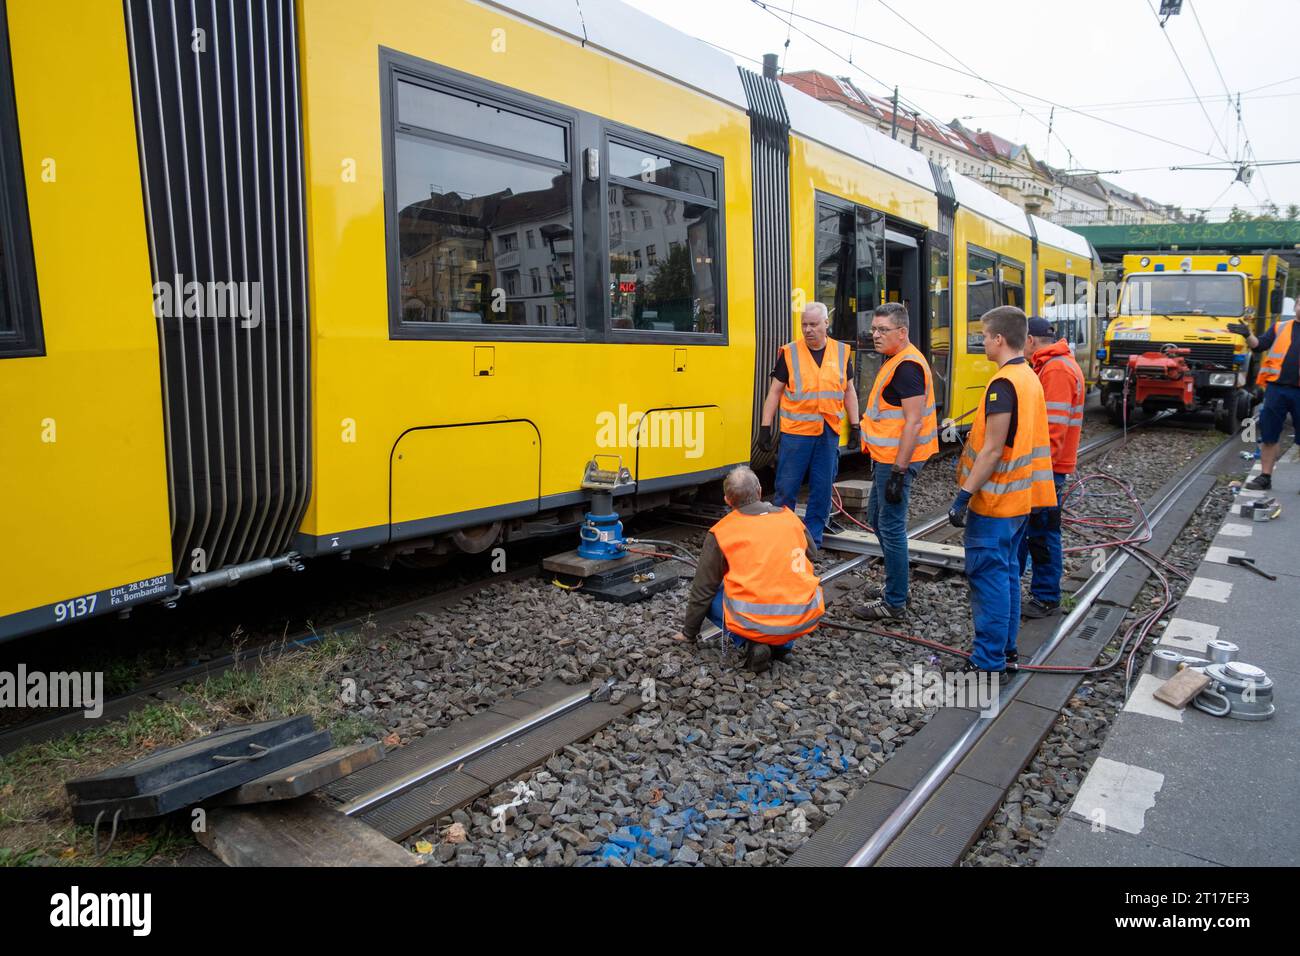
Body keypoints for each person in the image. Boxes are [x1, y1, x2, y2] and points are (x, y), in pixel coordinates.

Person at [948, 306, 1056, 673]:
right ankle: (1006, 651)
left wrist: (964, 495)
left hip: (994, 501)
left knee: (989, 578)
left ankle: (988, 659)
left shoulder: (1003, 384)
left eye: (983, 335)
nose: (981, 341)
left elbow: (993, 447)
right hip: (1020, 501)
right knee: (1008, 575)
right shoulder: (1029, 377)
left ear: (998, 339)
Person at [673, 467, 823, 672]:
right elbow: (812, 555)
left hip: (755, 619)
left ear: (727, 500)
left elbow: (702, 589)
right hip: (803, 615)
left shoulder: (722, 531)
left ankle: (750, 641)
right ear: (760, 491)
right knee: (788, 579)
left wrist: (688, 634)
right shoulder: (790, 519)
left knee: (710, 594)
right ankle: (783, 647)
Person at [852, 302, 939, 620]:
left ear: (902, 333)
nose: (875, 335)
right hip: (886, 459)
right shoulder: (896, 360)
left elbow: (914, 422)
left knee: (890, 526)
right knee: (878, 519)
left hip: (898, 461)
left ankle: (895, 601)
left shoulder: (907, 368)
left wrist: (900, 472)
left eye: (882, 330)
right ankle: (896, 583)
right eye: (874, 328)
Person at [759, 302, 860, 548]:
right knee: (786, 488)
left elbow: (849, 392)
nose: (808, 329)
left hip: (828, 433)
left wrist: (855, 426)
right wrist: (765, 427)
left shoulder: (841, 352)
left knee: (822, 489)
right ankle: (784, 538)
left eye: (813, 324)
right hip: (796, 434)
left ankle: (813, 540)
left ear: (826, 324)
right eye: (804, 324)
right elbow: (774, 392)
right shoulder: (790, 353)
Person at [1018, 317, 1086, 618]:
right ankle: (1040, 590)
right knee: (1038, 530)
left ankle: (1046, 596)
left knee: (1043, 532)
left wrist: (1033, 471)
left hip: (1048, 468)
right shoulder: (1054, 364)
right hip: (1050, 466)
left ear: (1031, 341)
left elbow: (1052, 430)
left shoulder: (1056, 369)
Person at [1232, 298, 1300, 491]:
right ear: (1295, 306)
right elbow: (1259, 345)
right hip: (1277, 389)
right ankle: (1265, 477)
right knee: (1269, 435)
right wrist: (1247, 335)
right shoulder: (1281, 327)